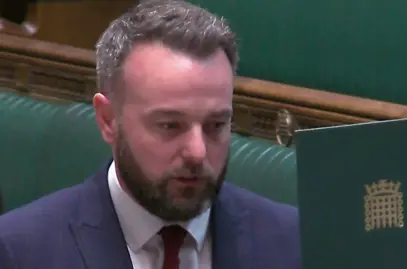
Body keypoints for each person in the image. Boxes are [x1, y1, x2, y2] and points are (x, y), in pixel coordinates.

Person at [0, 0, 300, 268]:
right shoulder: (21, 251)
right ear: (107, 120)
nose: (197, 152)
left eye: (215, 126)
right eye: (170, 126)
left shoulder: (293, 243)